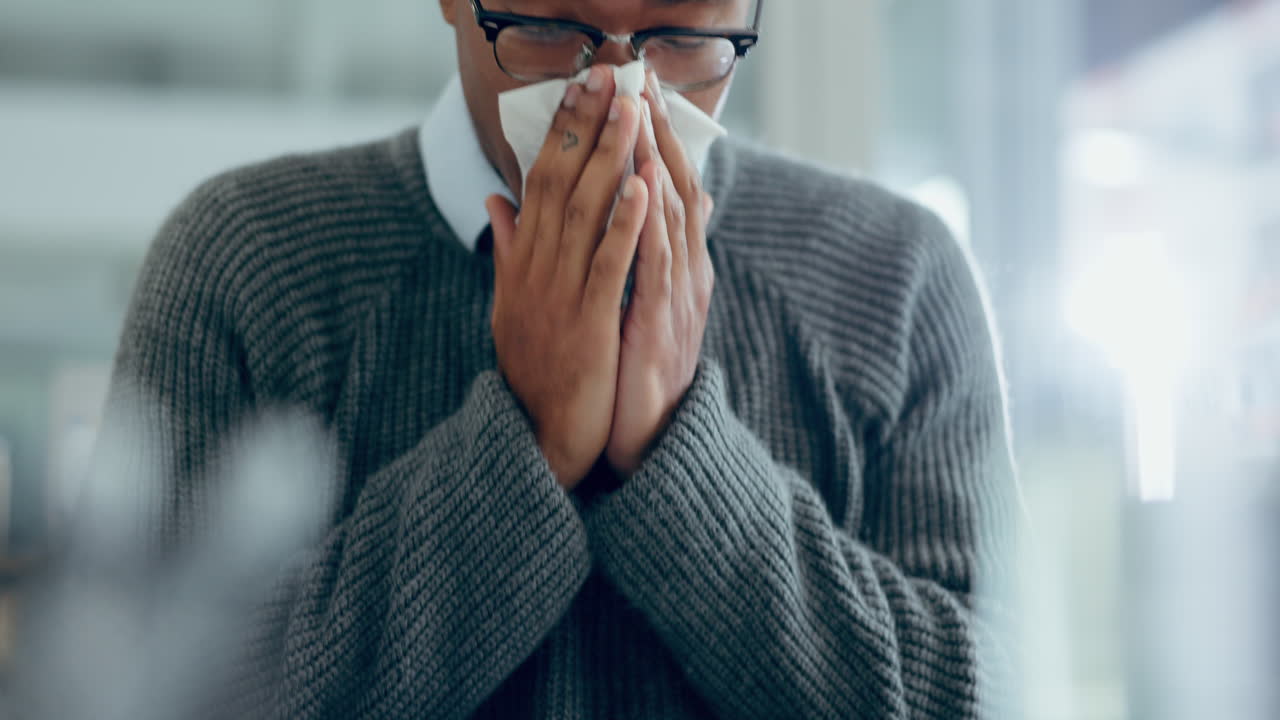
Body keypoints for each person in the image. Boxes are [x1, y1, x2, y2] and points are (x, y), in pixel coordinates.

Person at [100, 0, 1020, 717]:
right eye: (547, 26)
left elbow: (992, 696)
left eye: (682, 36)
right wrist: (525, 446)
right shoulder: (248, 263)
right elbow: (144, 691)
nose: (619, 92)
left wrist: (683, 464)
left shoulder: (894, 279)